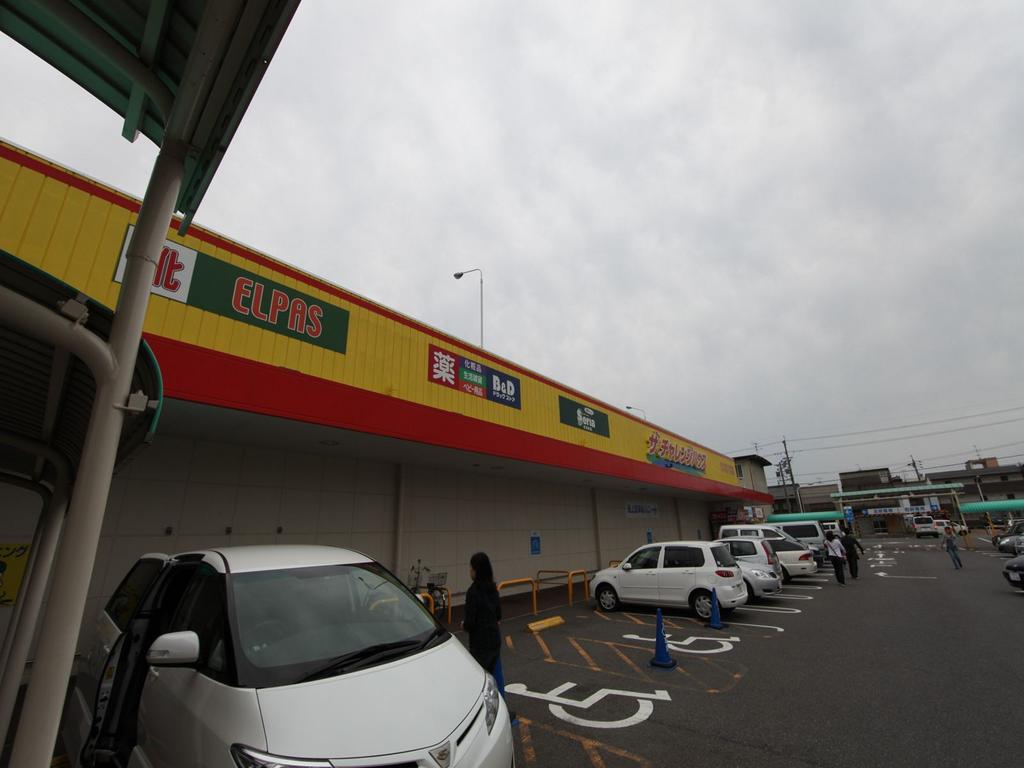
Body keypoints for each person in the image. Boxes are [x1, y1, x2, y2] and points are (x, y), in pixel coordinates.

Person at [462, 552, 515, 720]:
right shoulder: (493, 588)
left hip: (479, 644)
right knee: (497, 677)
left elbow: (470, 622)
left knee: (480, 681)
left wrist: (463, 625)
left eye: (471, 568)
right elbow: (498, 615)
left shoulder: (473, 592)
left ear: (476, 570)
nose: (470, 571)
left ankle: (480, 716)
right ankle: (504, 712)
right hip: (494, 640)